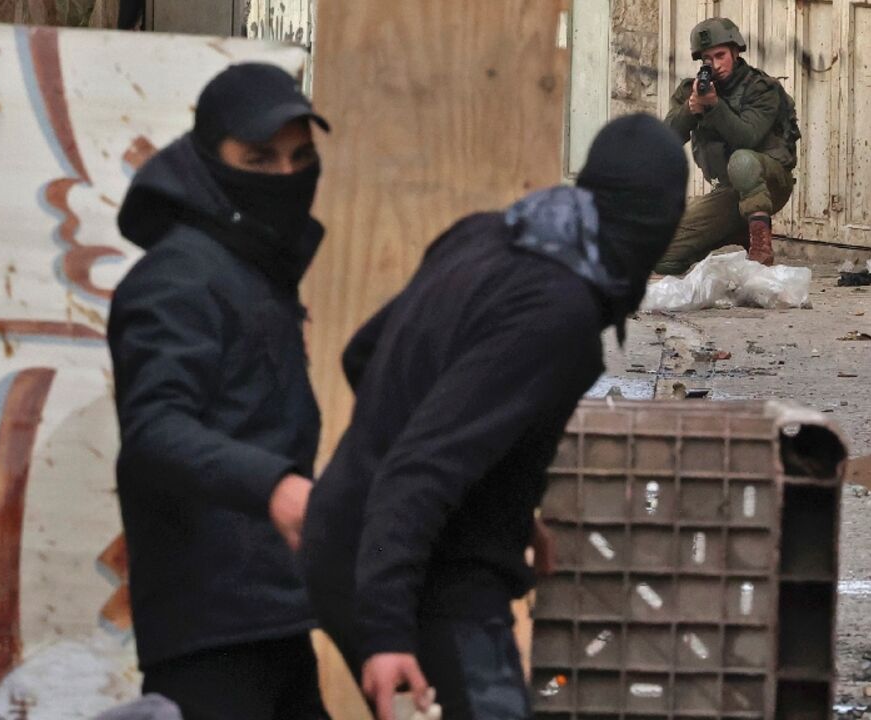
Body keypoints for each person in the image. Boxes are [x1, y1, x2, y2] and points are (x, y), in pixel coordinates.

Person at [293, 114, 689, 720]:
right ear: (658, 221)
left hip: (352, 540)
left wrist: (500, 501)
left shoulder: (486, 235)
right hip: (424, 578)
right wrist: (388, 634)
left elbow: (364, 355)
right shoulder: (559, 313)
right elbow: (419, 468)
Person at [107, 63, 330, 720]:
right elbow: (153, 430)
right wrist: (277, 487)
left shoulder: (249, 268)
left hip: (270, 616)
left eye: (302, 157)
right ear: (212, 159)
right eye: (260, 158)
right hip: (209, 630)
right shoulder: (179, 276)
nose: (287, 178)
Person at [656, 17, 801, 273]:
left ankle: (760, 246)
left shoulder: (761, 88)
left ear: (735, 51)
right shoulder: (692, 90)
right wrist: (691, 109)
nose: (716, 64)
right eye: (707, 59)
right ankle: (732, 232)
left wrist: (714, 106)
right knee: (662, 256)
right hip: (727, 193)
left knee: (742, 160)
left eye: (721, 55)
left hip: (770, 182)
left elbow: (747, 137)